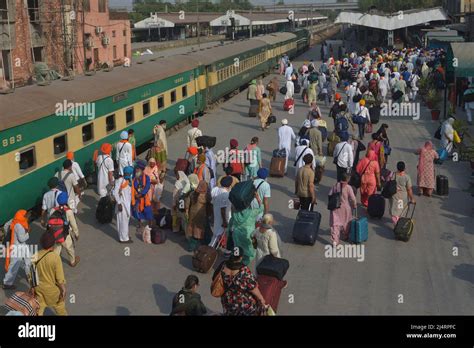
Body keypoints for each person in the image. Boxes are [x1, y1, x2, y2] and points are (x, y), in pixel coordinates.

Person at [215, 247, 267, 316]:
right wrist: (261, 299)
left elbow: (215, 278)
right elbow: (253, 288)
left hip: (227, 300)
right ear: (241, 257)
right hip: (243, 303)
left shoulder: (223, 265)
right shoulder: (243, 271)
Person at [32, 232, 67, 315]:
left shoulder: (34, 256)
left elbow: (31, 276)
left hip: (39, 288)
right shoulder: (55, 257)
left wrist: (33, 288)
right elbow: (59, 278)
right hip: (52, 290)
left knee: (39, 307)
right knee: (59, 306)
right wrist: (63, 289)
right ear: (53, 243)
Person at [49, 192, 80, 267]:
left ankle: (53, 263)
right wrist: (76, 234)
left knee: (57, 247)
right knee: (69, 247)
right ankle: (72, 261)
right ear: (66, 201)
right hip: (65, 233)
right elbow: (73, 224)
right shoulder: (68, 211)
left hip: (55, 233)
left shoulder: (53, 210)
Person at [2, 210, 31, 290]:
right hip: (18, 247)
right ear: (22, 216)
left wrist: (11, 235)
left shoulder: (14, 220)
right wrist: (28, 233)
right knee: (15, 265)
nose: (27, 217)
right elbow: (22, 239)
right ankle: (7, 283)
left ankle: (30, 275)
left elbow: (5, 226)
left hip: (16, 245)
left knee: (27, 260)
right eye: (26, 215)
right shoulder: (19, 226)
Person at [329, 172, 357, 247]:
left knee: (335, 224)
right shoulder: (348, 187)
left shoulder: (335, 186)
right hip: (345, 208)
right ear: (347, 179)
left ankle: (335, 240)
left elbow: (330, 194)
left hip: (335, 207)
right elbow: (353, 198)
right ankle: (345, 235)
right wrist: (354, 205)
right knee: (346, 222)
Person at [186, 180, 211, 251]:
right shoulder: (206, 196)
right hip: (201, 216)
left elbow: (187, 204)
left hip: (192, 215)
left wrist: (187, 212)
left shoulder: (192, 193)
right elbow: (210, 205)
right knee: (199, 231)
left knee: (192, 230)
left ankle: (191, 247)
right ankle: (202, 246)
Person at [389, 161, 416, 225]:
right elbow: (409, 189)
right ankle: (398, 223)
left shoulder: (393, 174)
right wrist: (412, 198)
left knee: (394, 209)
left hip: (394, 195)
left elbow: (388, 182)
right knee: (400, 211)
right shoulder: (407, 177)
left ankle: (396, 221)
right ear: (404, 168)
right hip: (401, 198)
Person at [113, 166, 134, 243]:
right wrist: (119, 203)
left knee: (125, 222)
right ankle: (123, 239)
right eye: (127, 173)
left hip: (127, 205)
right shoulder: (120, 181)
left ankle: (124, 236)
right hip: (122, 205)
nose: (128, 174)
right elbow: (115, 192)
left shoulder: (129, 181)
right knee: (122, 222)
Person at [210, 176, 232, 248]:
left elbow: (212, 202)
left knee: (216, 233)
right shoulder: (226, 194)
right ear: (229, 185)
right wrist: (225, 221)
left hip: (216, 214)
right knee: (222, 234)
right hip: (223, 218)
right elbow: (223, 209)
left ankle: (211, 246)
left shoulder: (215, 189)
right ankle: (214, 248)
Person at [131, 160, 154, 228]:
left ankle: (151, 223)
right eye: (136, 168)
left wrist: (141, 194)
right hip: (136, 198)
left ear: (141, 170)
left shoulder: (146, 177)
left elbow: (147, 187)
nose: (136, 170)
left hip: (144, 198)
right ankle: (140, 223)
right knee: (137, 212)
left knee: (148, 212)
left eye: (138, 169)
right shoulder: (133, 178)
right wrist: (135, 195)